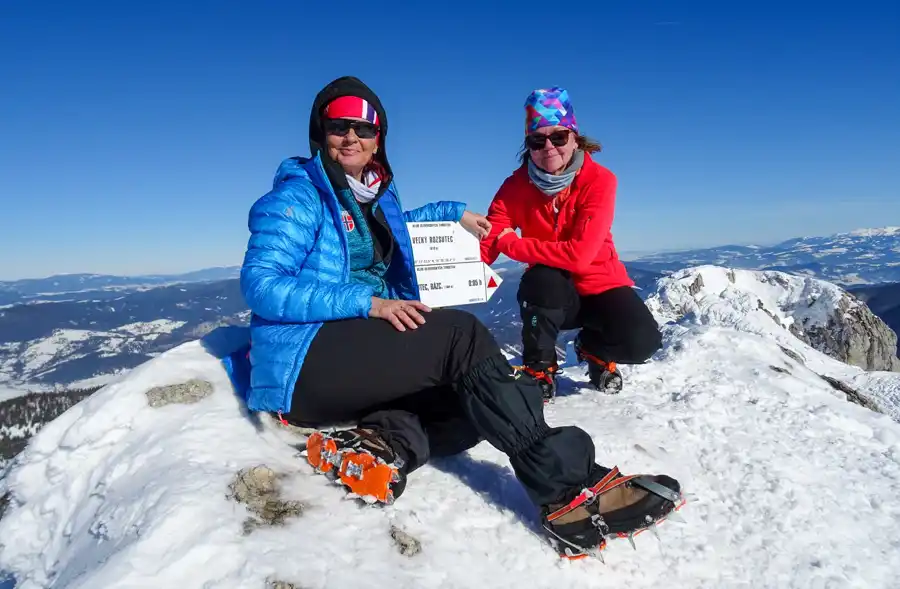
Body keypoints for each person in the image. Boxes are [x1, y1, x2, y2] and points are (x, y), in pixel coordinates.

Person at [236, 76, 682, 558]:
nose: (351, 138)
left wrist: (457, 215)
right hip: (303, 361)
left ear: (378, 139)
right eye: (338, 126)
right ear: (319, 133)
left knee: (473, 406)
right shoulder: (297, 197)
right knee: (461, 336)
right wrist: (369, 303)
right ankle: (568, 491)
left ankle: (381, 445)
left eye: (364, 130)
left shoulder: (368, 196)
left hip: (347, 354)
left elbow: (399, 230)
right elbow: (261, 285)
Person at [480, 87, 663, 399]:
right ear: (529, 147)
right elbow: (488, 241)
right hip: (553, 294)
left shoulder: (600, 180)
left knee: (642, 342)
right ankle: (540, 367)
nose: (548, 147)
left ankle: (592, 348)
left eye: (559, 137)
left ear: (575, 138)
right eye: (537, 140)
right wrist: (440, 274)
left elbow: (579, 257)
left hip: (600, 284)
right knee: (543, 279)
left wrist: (512, 244)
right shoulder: (515, 187)